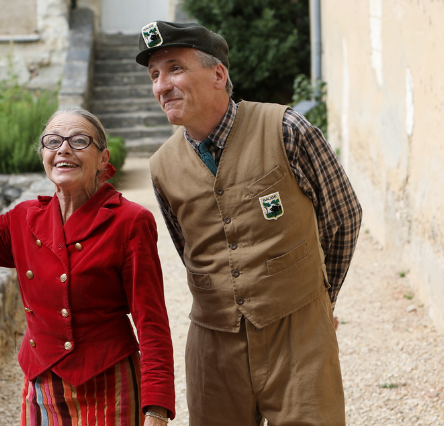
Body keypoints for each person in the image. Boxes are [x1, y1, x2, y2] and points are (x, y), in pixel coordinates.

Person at [136, 21, 363, 425]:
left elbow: (343, 216)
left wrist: (320, 299)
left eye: (174, 68)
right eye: (154, 75)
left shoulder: (287, 128)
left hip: (299, 338)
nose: (161, 85)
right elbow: (189, 250)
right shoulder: (161, 168)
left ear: (218, 74)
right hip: (213, 348)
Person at [0, 108, 175, 425]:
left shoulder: (130, 221)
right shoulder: (23, 219)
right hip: (41, 383)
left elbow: (152, 322)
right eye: (52, 141)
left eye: (79, 141)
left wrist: (156, 409)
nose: (63, 149)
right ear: (43, 157)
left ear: (103, 158)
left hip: (109, 382)